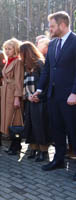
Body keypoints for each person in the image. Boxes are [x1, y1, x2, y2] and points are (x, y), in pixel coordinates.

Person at [33, 11, 76, 181]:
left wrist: (74, 92)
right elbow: (48, 70)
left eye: (52, 26)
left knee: (74, 132)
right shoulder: (52, 44)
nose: (49, 29)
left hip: (70, 98)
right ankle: (58, 160)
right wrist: (39, 89)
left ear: (63, 25)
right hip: (53, 96)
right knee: (57, 130)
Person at [21, 41, 51, 162]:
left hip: (41, 101)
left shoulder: (40, 64)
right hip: (30, 100)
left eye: (22, 53)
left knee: (41, 127)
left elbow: (46, 82)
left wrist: (39, 95)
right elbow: (24, 83)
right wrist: (28, 96)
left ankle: (43, 151)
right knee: (31, 126)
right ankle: (33, 148)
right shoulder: (25, 66)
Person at [0, 38, 24, 155]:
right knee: (8, 119)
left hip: (13, 93)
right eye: (6, 49)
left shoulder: (17, 62)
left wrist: (17, 97)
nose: (7, 51)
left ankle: (16, 145)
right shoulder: (8, 61)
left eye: (10, 49)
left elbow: (19, 80)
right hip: (6, 92)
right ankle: (13, 144)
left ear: (15, 50)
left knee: (15, 119)